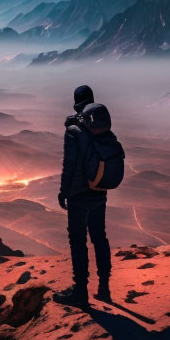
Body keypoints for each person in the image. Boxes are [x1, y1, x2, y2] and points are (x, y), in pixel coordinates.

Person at [53, 85, 112, 307]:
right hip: (99, 191)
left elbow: (69, 165)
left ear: (75, 101)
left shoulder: (73, 130)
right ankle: (104, 287)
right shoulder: (101, 127)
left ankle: (80, 292)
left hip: (78, 195)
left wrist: (63, 192)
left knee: (78, 241)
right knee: (99, 238)